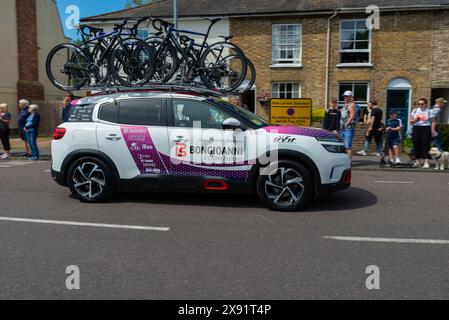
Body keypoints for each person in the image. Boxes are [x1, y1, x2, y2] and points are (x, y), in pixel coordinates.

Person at [410, 98, 436, 169]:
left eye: (422, 104)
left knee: (426, 145)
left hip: (426, 128)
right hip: (416, 128)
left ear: (426, 104)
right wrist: (415, 120)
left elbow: (433, 122)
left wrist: (432, 131)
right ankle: (417, 161)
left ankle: (426, 162)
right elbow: (411, 122)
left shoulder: (430, 111)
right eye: (418, 104)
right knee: (416, 144)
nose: (420, 105)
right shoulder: (415, 110)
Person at [340, 91, 357, 160]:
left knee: (348, 146)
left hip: (348, 128)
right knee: (343, 146)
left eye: (347, 96)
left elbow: (352, 116)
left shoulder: (351, 105)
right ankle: (345, 160)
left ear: (350, 97)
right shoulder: (345, 105)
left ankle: (349, 162)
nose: (345, 98)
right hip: (343, 128)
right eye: (344, 96)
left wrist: (346, 123)